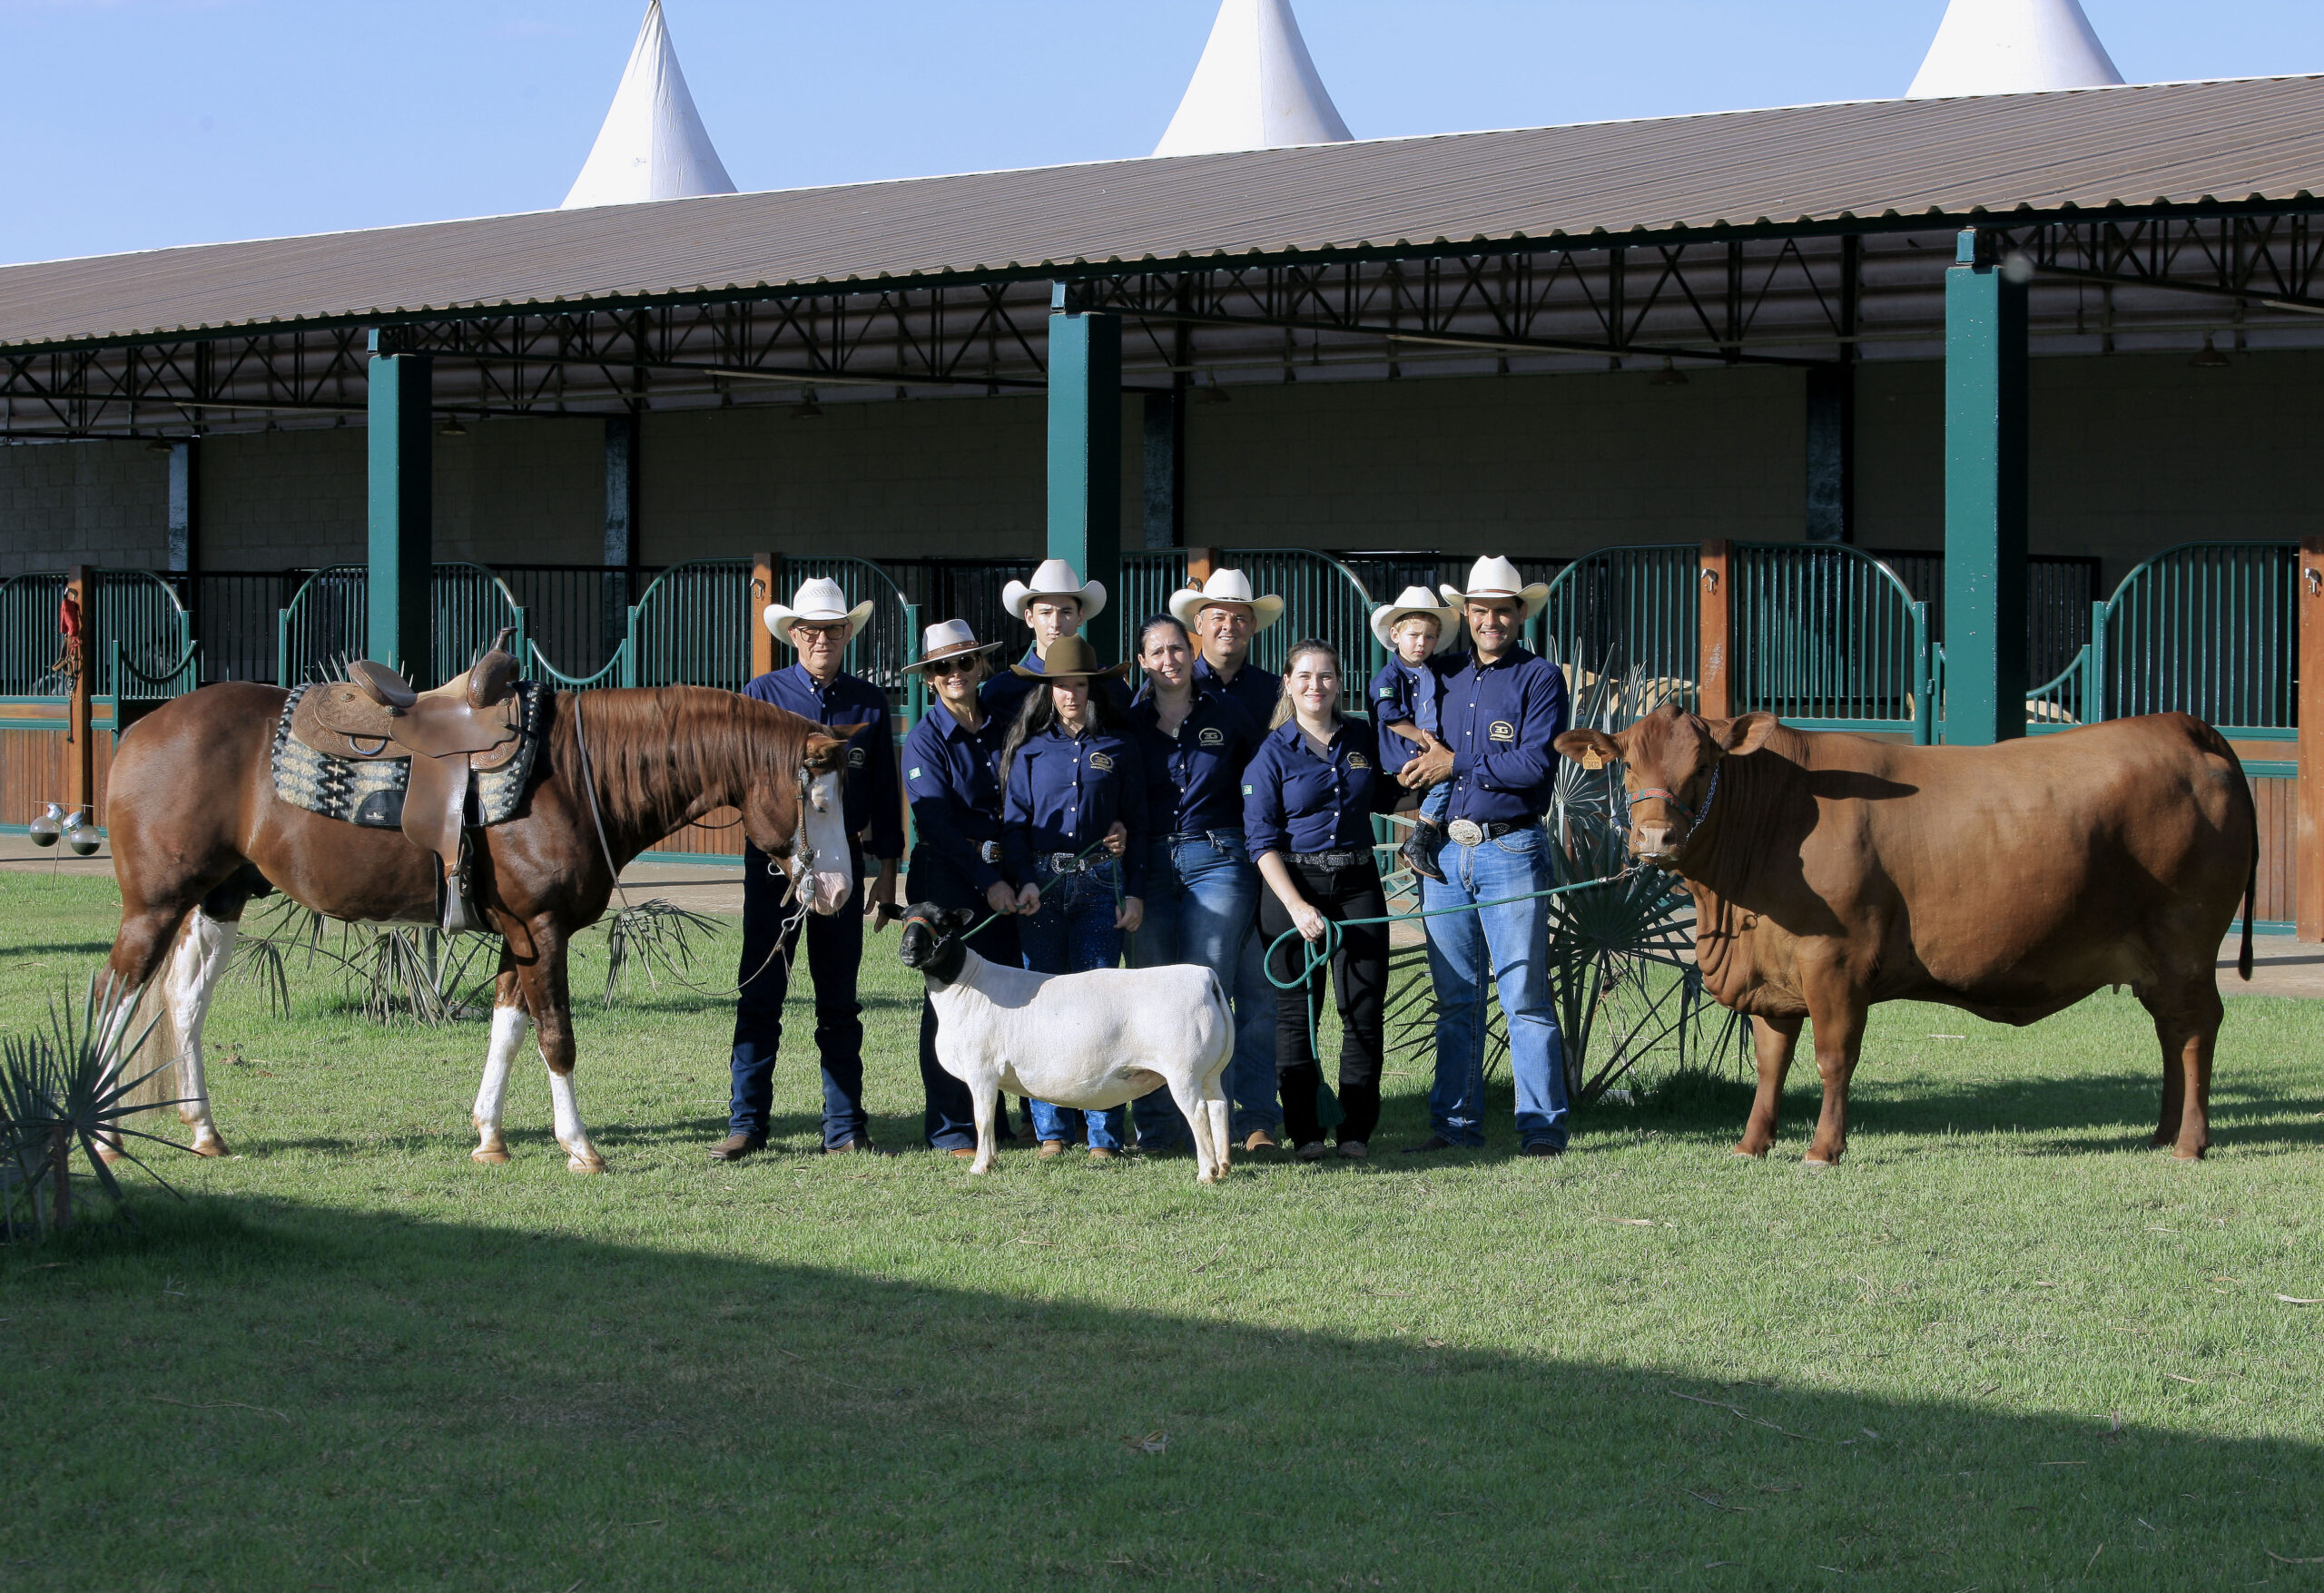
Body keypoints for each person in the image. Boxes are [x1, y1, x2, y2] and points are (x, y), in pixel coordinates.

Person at [713, 577, 903, 1161]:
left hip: (843, 864)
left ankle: (845, 1127)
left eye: (833, 629)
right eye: (811, 629)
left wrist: (888, 869)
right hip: (774, 868)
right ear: (793, 634)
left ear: (848, 633)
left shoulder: (868, 703)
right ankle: (747, 1124)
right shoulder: (760, 694)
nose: (823, 638)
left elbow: (883, 789)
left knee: (839, 999)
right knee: (761, 993)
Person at [1395, 555, 1574, 1158]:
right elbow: (1392, 697)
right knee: (1456, 997)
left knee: (1523, 994)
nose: (1490, 619)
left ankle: (1542, 1130)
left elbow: (1535, 765)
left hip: (1511, 846)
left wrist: (1455, 763)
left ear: (1520, 613)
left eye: (1502, 609)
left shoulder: (1541, 679)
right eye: (1479, 610)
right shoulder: (1441, 676)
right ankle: (1454, 1126)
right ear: (1465, 614)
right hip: (1444, 853)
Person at [1243, 639, 1402, 1160]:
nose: (1317, 685)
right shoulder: (1270, 754)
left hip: (1357, 884)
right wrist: (1296, 906)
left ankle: (1356, 1130)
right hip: (1293, 889)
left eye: (1327, 676)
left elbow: (1392, 788)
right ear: (1288, 684)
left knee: (1362, 1009)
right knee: (1297, 1016)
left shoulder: (1362, 738)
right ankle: (1306, 1133)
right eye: (1305, 677)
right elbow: (1261, 843)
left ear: (1339, 682)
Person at [1000, 635, 1149, 1162]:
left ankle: (1104, 1134)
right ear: (1047, 690)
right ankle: (1051, 1131)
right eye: (1060, 685)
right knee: (1042, 1006)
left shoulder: (1119, 749)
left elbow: (1141, 825)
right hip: (1042, 885)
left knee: (1098, 1007)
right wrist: (1024, 881)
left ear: (1093, 690)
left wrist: (1132, 891)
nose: (1070, 694)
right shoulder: (1030, 752)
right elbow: (1014, 826)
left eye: (1079, 685)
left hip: (1099, 884)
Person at [1123, 614, 1263, 1155]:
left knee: (1208, 988)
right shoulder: (1128, 723)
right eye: (1156, 652)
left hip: (1218, 856)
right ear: (1143, 662)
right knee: (1150, 996)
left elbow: (1260, 782)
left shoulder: (1229, 715)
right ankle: (1158, 1129)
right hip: (1149, 864)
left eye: (1177, 649)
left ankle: (1215, 1125)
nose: (1169, 660)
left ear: (1192, 649)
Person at [1167, 568, 1288, 1153]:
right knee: (1204, 989)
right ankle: (1199, 1116)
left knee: (1258, 991)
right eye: (1218, 615)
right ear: (1198, 624)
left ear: (1252, 628)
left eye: (1240, 617)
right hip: (1202, 851)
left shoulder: (1273, 693)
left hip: (1262, 853)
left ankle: (1257, 1117)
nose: (1229, 625)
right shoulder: (1171, 683)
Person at [900, 619, 1022, 1158]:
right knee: (950, 1004)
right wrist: (988, 881)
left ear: (981, 666)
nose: (955, 673)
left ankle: (999, 1122)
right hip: (946, 881)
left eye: (964, 662)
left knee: (1001, 997)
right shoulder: (923, 741)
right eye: (941, 667)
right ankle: (951, 1128)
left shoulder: (1006, 723)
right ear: (928, 678)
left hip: (1003, 875)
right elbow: (944, 833)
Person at [1366, 586, 1465, 883]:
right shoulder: (1388, 676)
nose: (1421, 643)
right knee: (1443, 782)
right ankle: (1418, 840)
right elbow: (1389, 715)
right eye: (1414, 635)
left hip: (1432, 746)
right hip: (1410, 752)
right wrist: (1425, 742)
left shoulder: (1434, 670)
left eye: (1430, 637)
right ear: (1396, 635)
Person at [983, 558, 1128, 727]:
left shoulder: (1110, 685)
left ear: (1080, 616)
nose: (1055, 623)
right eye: (1045, 613)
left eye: (1066, 612)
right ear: (1030, 618)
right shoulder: (1001, 690)